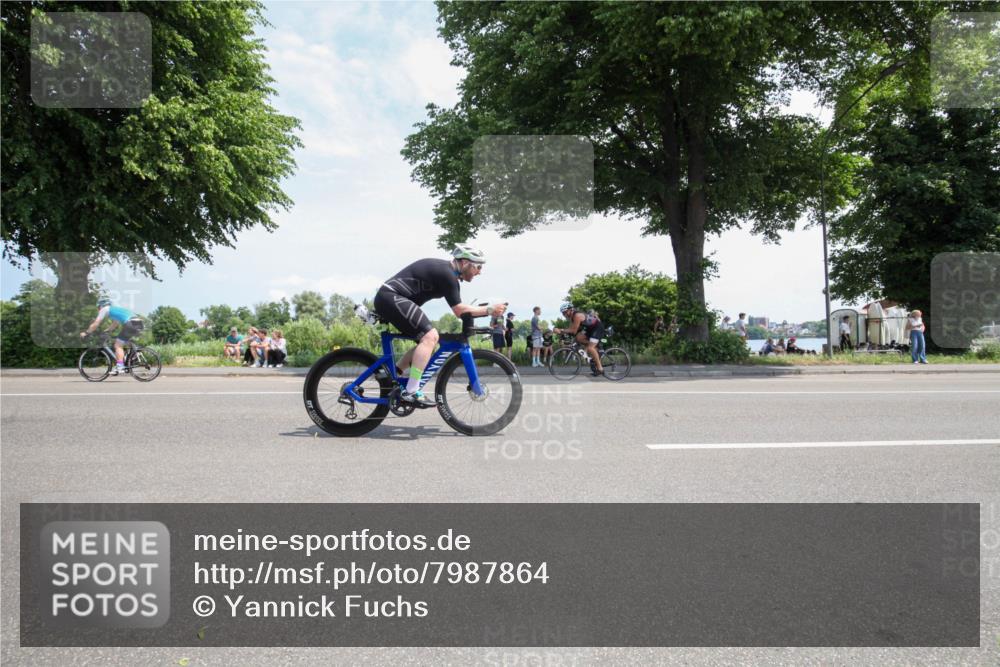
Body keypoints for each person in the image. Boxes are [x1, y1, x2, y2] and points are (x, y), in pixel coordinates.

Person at [372, 245, 504, 407]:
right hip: (391, 297)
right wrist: (489, 309)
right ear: (464, 263)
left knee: (428, 341)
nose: (479, 271)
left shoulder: (450, 276)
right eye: (478, 266)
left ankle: (392, 375)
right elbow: (459, 310)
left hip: (390, 298)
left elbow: (462, 309)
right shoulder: (446, 274)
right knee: (430, 337)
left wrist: (483, 312)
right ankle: (411, 391)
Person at [80, 297, 145, 376]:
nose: (98, 309)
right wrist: (106, 331)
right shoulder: (114, 310)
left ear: (101, 305)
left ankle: (120, 366)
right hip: (138, 323)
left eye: (98, 307)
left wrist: (86, 333)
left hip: (130, 323)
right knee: (121, 340)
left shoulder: (105, 309)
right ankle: (133, 356)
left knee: (117, 345)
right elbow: (115, 324)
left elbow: (96, 323)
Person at [554, 302, 604, 376]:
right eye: (563, 313)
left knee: (590, 348)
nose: (564, 314)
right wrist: (563, 333)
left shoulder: (577, 316)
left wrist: (561, 330)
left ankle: (600, 369)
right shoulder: (571, 317)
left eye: (565, 312)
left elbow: (573, 330)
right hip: (590, 329)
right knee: (578, 337)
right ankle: (596, 348)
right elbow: (572, 330)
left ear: (571, 310)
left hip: (597, 328)